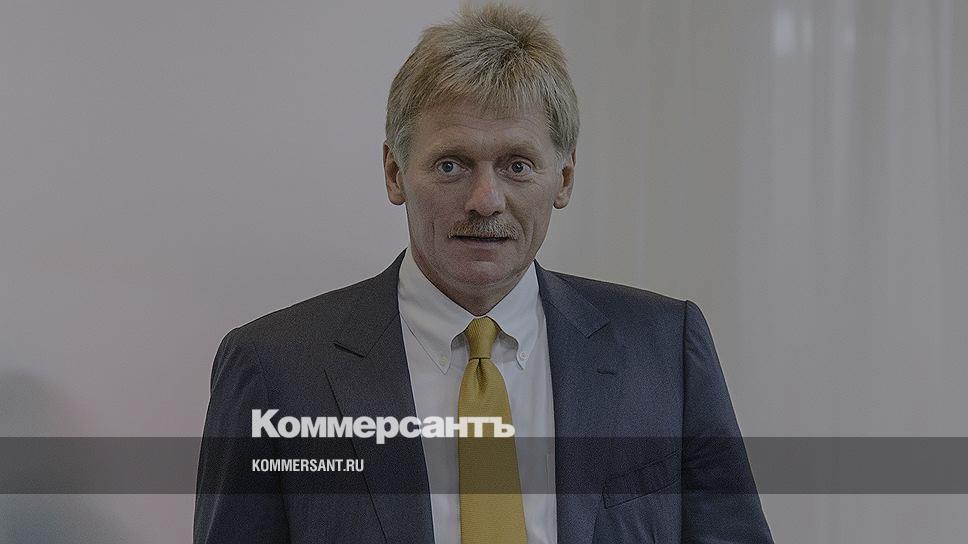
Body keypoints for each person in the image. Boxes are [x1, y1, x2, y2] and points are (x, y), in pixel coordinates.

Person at [194, 4, 773, 543]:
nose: (485, 200)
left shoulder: (664, 350)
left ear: (564, 178)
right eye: (452, 165)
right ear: (394, 173)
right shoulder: (276, 369)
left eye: (517, 165)